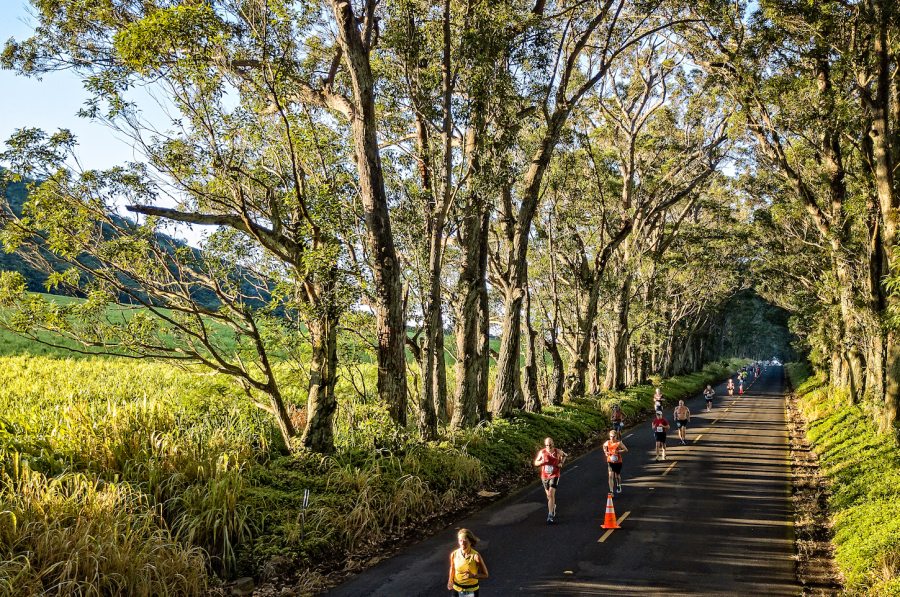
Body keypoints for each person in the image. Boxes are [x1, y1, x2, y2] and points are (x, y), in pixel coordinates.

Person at [534, 437, 567, 523]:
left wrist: (561, 463)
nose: (549, 446)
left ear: (553, 444)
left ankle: (550, 515)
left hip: (554, 475)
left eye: (550, 445)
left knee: (551, 493)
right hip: (544, 476)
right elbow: (536, 463)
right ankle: (553, 506)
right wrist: (541, 462)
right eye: (547, 445)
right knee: (549, 496)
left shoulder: (557, 451)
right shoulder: (542, 452)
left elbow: (564, 456)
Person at [448, 528, 488, 596]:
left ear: (471, 541)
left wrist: (472, 576)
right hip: (457, 589)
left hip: (471, 590)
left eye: (465, 541)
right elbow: (452, 568)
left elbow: (485, 575)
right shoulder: (454, 554)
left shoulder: (476, 556)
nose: (462, 543)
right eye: (460, 541)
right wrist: (450, 580)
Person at [603, 429, 628, 493]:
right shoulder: (608, 442)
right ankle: (611, 491)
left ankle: (618, 485)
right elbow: (604, 446)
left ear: (616, 436)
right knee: (610, 475)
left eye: (613, 436)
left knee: (617, 476)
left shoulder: (618, 443)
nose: (612, 438)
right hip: (610, 461)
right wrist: (606, 452)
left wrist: (618, 451)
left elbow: (625, 450)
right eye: (611, 436)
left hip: (618, 461)